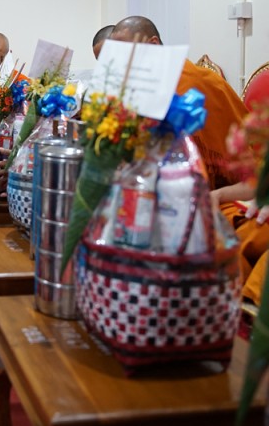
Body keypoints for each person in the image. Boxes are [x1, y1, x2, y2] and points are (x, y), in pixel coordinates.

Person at [109, 17, 265, 281]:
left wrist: (216, 196)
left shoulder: (199, 85)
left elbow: (253, 172)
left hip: (221, 197)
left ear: (153, 45)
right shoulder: (140, 89)